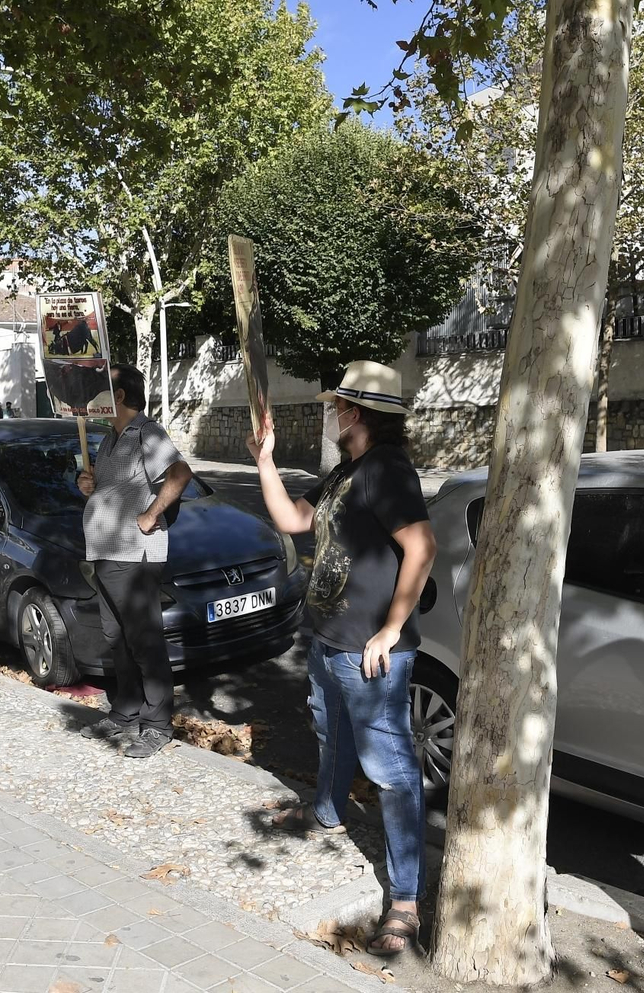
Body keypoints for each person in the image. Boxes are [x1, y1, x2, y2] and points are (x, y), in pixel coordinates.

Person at [246, 360, 436, 957]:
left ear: (353, 412)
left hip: (369, 653)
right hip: (330, 640)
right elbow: (294, 520)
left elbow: (421, 546)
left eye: (336, 407)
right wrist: (264, 462)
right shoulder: (345, 471)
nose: (332, 415)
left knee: (393, 772)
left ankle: (404, 901)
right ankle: (325, 813)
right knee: (332, 735)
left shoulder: (387, 469)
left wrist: (391, 629)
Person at [76, 364, 192, 758]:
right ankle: (125, 710)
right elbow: (113, 489)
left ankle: (158, 723)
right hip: (106, 552)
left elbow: (180, 473)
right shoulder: (111, 437)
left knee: (144, 641)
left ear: (120, 396)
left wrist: (150, 514)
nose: (93, 400)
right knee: (117, 638)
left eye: (100, 391)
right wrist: (88, 486)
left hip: (135, 554)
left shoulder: (147, 431)